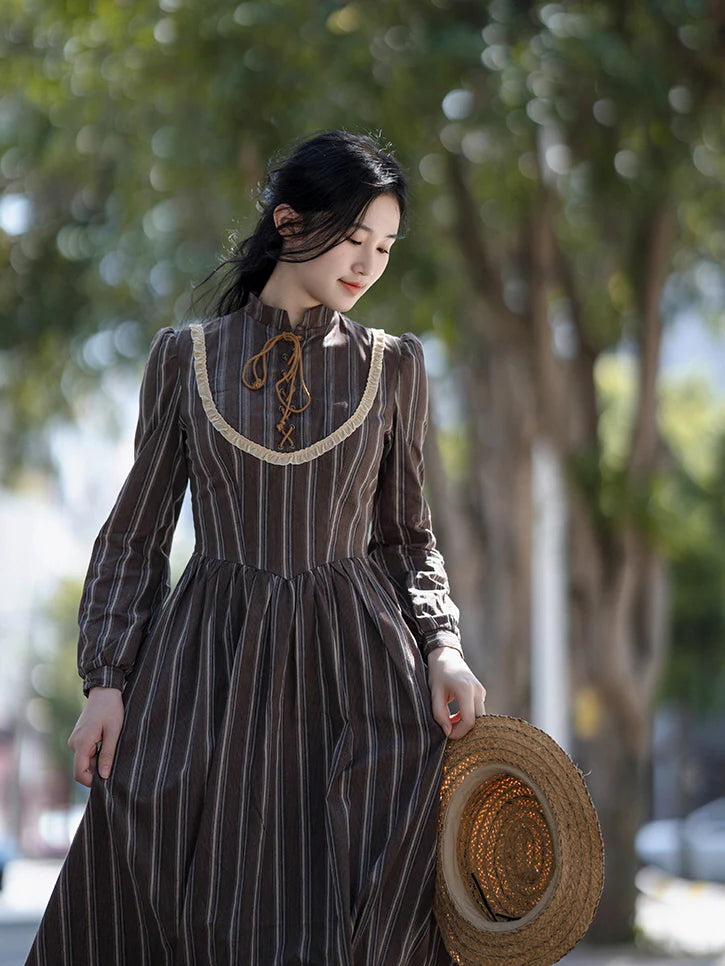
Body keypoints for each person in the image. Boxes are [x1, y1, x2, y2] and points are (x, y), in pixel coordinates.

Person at [27, 129, 486, 966]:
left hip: (360, 674)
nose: (368, 264)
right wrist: (105, 679)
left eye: (384, 247)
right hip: (211, 669)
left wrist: (444, 650)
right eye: (354, 238)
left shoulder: (393, 368)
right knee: (174, 886)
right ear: (288, 221)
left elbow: (408, 538)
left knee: (365, 903)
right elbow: (135, 535)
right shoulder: (185, 359)